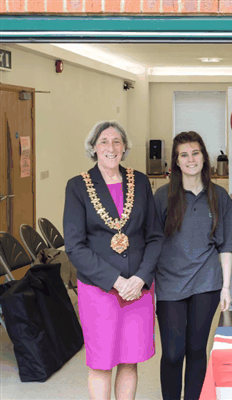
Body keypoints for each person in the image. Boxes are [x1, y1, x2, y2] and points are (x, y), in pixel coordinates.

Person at [64, 121, 164, 400]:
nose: (111, 147)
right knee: (101, 362)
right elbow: (74, 245)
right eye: (104, 141)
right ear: (93, 147)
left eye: (117, 141)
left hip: (138, 288)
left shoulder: (141, 181)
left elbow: (155, 236)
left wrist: (141, 278)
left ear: (125, 147)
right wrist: (116, 281)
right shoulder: (77, 186)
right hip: (99, 289)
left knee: (130, 360)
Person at [153, 131, 232, 400]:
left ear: (204, 157)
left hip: (206, 281)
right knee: (174, 353)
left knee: (197, 349)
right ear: (176, 161)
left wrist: (225, 287)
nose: (191, 159)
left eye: (196, 153)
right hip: (170, 283)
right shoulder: (163, 196)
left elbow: (226, 244)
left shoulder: (219, 196)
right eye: (184, 155)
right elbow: (151, 240)